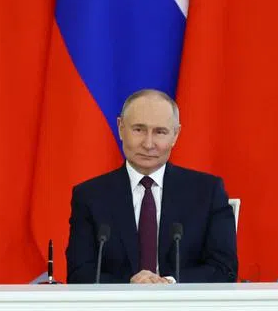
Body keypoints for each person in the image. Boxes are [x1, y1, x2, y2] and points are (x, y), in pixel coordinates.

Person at [65, 89, 237, 284]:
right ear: (121, 128)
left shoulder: (207, 192)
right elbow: (79, 274)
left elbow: (224, 269)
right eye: (138, 129)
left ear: (175, 135)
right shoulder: (90, 196)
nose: (148, 144)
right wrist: (129, 286)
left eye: (160, 132)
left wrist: (169, 283)